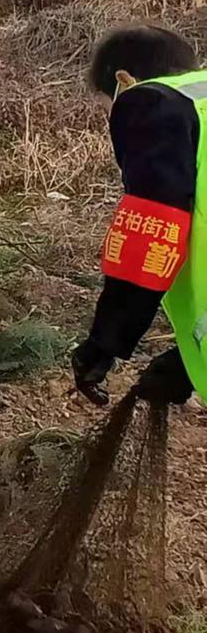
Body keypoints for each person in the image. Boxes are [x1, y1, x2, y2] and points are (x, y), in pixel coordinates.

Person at [71, 24, 205, 410]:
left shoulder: (153, 105)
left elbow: (151, 235)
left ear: (122, 80)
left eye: (106, 107)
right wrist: (185, 362)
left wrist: (102, 345)